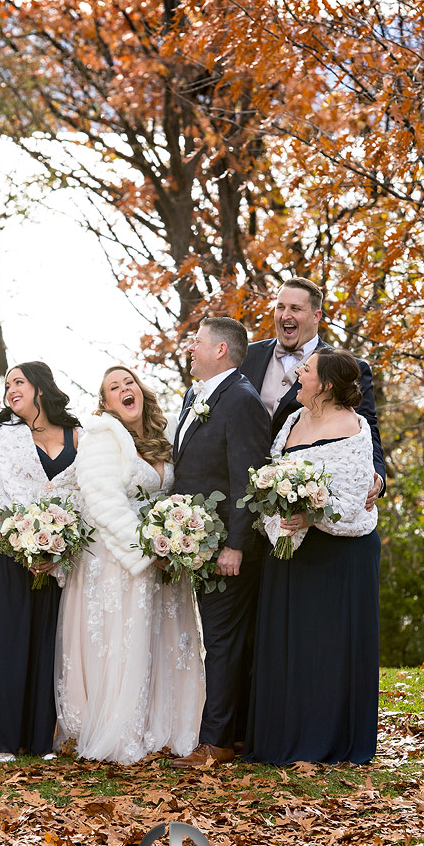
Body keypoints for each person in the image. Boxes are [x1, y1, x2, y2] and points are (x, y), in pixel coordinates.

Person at [54, 366, 205, 764]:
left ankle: (166, 725)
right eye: (114, 388)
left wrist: (171, 541)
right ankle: (123, 729)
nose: (125, 389)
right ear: (106, 403)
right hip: (119, 558)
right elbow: (103, 500)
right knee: (126, 639)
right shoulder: (102, 437)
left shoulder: (162, 434)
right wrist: (145, 550)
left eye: (129, 382)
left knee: (164, 637)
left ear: (140, 390)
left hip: (163, 553)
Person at [245, 347, 380, 765]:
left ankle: (329, 740)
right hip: (290, 552)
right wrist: (282, 518)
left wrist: (311, 514)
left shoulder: (355, 427)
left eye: (305, 370)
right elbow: (273, 476)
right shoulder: (291, 420)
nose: (298, 374)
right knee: (290, 646)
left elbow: (354, 496)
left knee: (326, 650)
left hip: (339, 556)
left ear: (324, 384)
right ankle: (284, 738)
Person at [0, 362, 79, 761]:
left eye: (18, 382)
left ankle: (38, 737)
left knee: (44, 641)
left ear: (41, 388)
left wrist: (54, 547)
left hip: (56, 556)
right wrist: (20, 543)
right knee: (2, 640)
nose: (10, 390)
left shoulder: (79, 435)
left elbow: (85, 495)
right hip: (2, 553)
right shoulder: (0, 439)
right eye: (6, 385)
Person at [170, 318, 272, 769]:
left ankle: (217, 743)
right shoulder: (198, 396)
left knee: (224, 642)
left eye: (199, 341)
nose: (191, 346)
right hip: (200, 545)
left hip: (227, 552)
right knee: (219, 639)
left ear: (222, 352)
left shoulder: (242, 401)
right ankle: (228, 735)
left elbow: (246, 481)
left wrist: (235, 545)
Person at [241, 277, 386, 506]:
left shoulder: (348, 368)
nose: (285, 315)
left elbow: (367, 428)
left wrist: (378, 476)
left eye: (295, 309)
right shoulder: (246, 357)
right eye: (280, 307)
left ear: (316, 316)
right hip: (241, 492)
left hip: (304, 500)